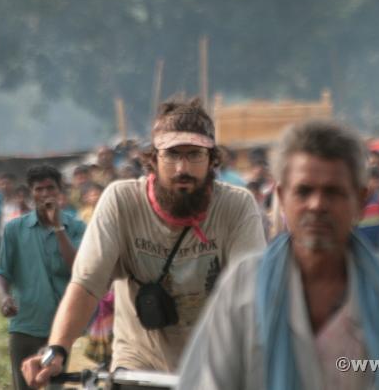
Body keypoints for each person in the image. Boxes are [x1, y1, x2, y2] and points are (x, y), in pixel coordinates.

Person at [176, 119, 379, 390]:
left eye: (333, 192)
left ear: (360, 200)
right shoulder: (243, 284)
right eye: (304, 191)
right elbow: (207, 381)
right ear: (282, 198)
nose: (317, 205)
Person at [21, 98, 266, 387]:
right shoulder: (121, 201)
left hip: (213, 366)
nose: (182, 169)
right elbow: (87, 285)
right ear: (153, 160)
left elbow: (252, 295)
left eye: (195, 155)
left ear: (212, 161)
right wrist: (57, 349)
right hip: (139, 367)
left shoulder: (236, 207)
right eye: (172, 155)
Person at [0, 165, 86, 390]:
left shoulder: (76, 227)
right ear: (31, 192)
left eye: (50, 188)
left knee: (55, 385)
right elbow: (2, 272)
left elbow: (79, 269)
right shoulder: (14, 229)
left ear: (59, 190)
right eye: (39, 189)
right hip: (24, 325)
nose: (45, 194)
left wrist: (58, 228)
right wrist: (4, 296)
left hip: (59, 329)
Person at [355, 167, 379, 249]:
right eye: (372, 179)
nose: (375, 184)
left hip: (373, 249)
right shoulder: (352, 202)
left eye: (377, 180)